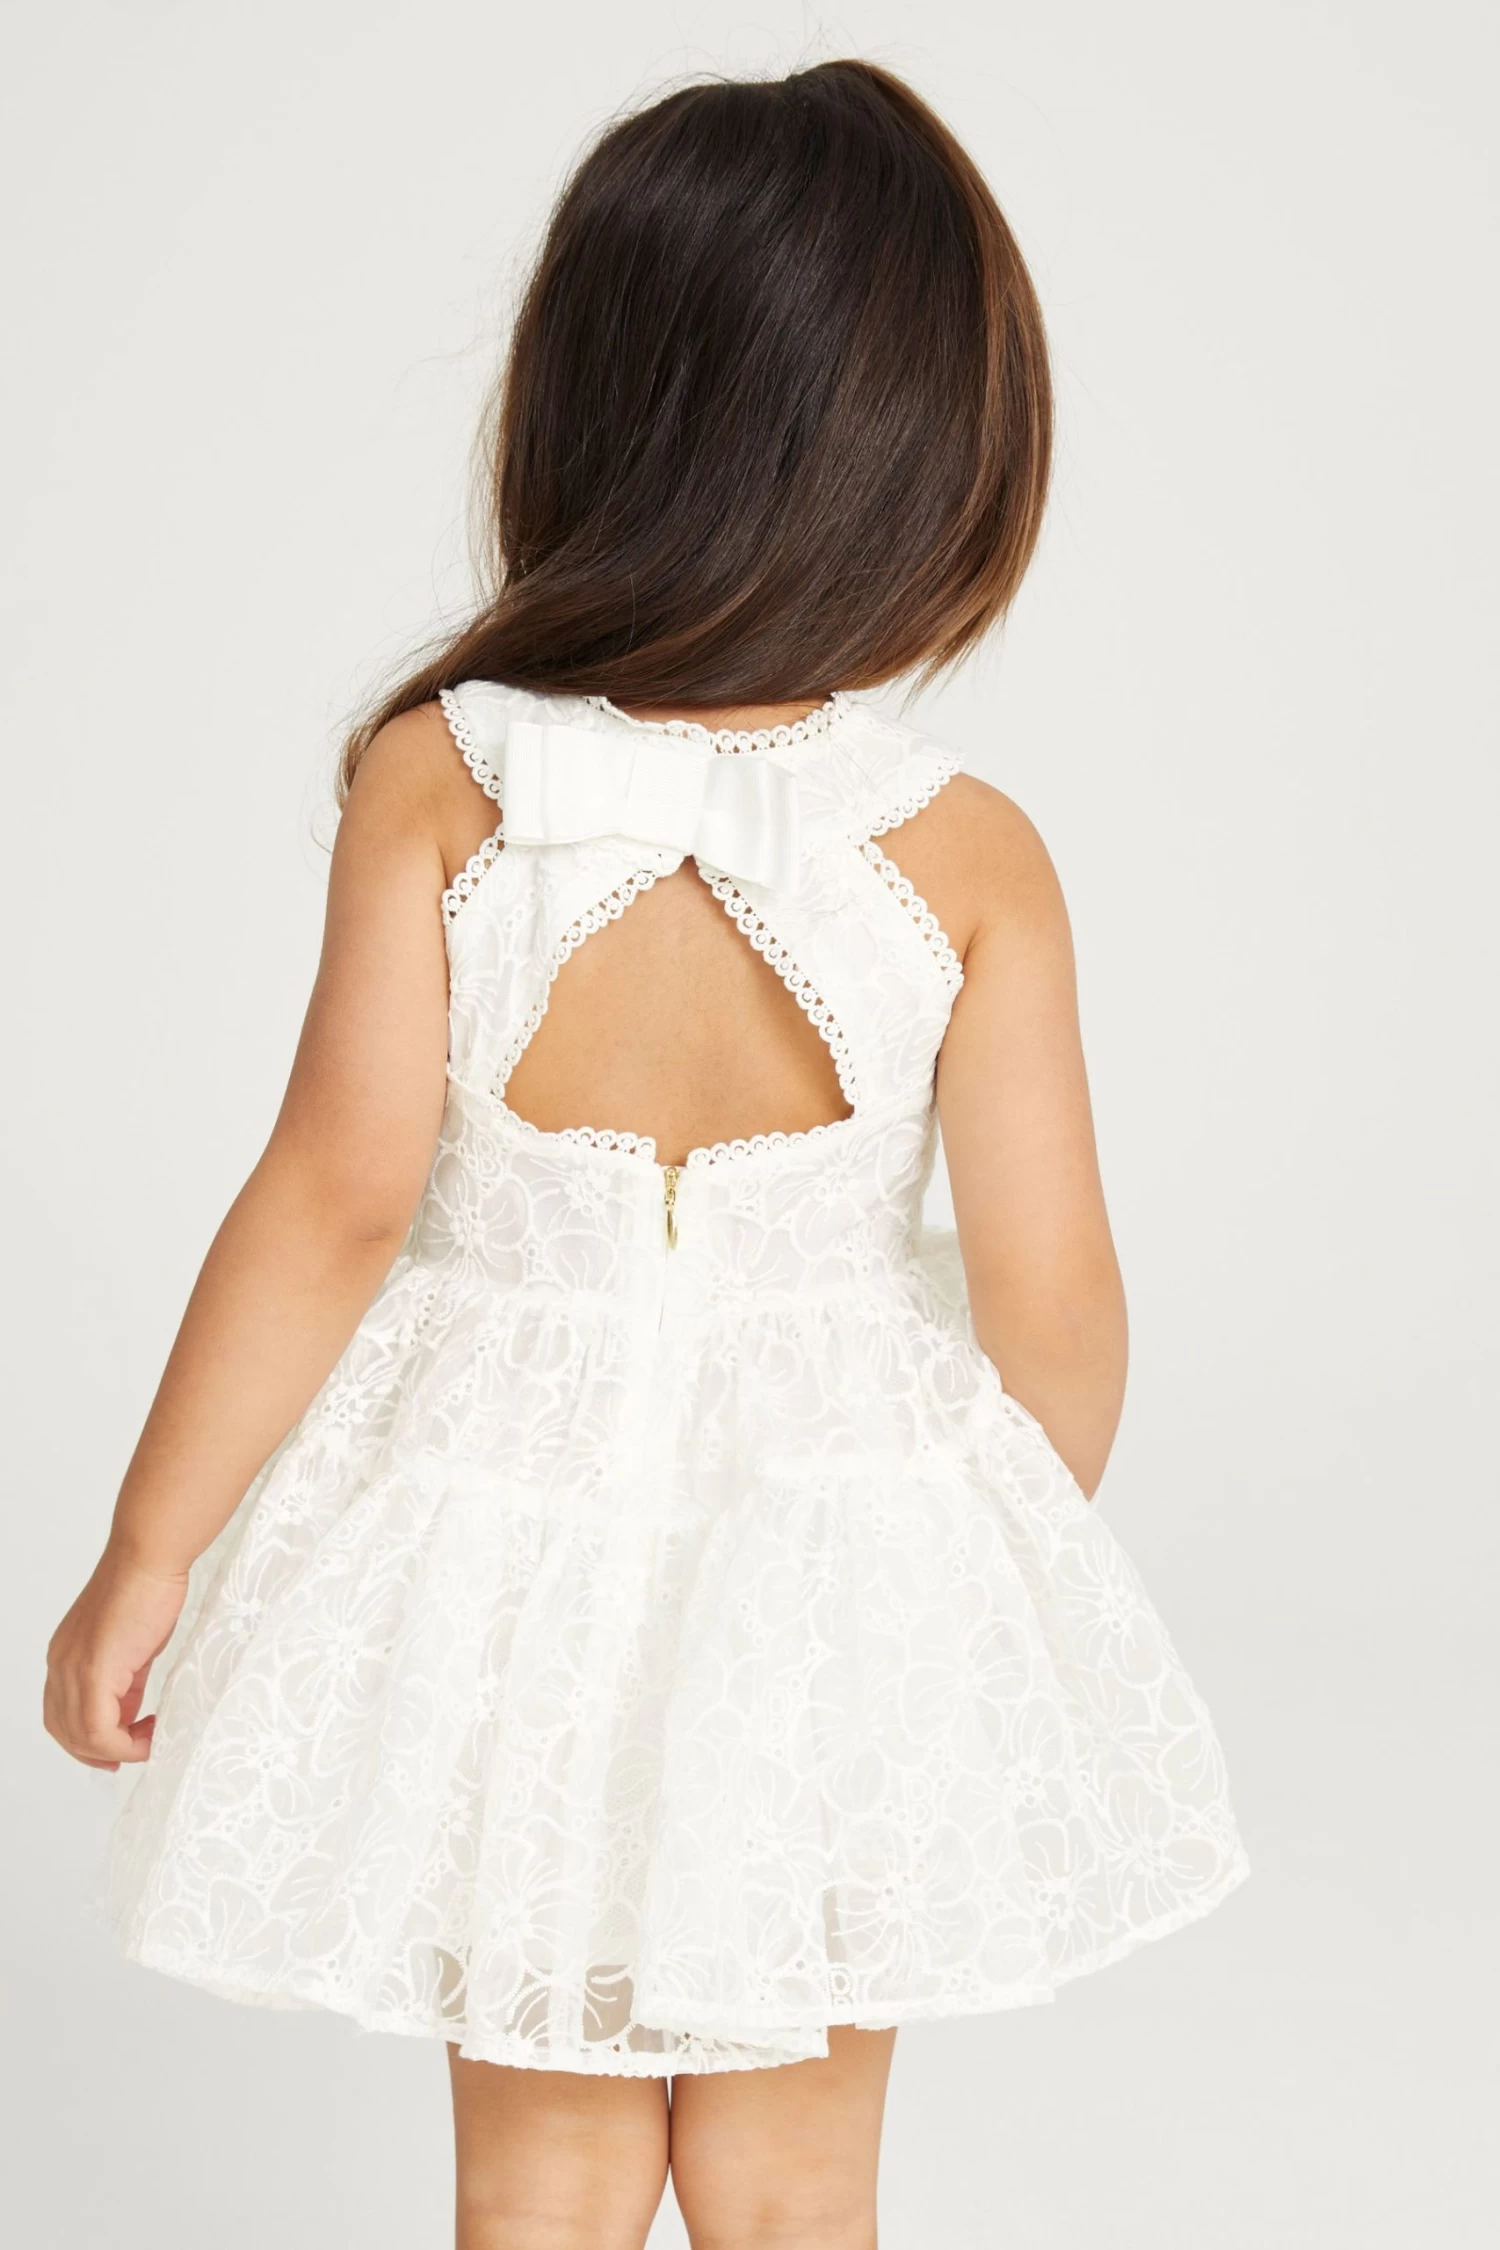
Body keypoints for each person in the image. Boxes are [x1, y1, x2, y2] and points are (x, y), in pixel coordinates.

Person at [44, 58, 1249, 2250]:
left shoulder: (447, 786)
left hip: (507, 1565)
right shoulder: (968, 858)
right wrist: (948, 1588)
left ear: (586, 413)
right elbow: (1060, 1309)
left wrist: (151, 1546)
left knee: (543, 2182)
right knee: (794, 2187)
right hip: (828, 1578)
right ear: (945, 461)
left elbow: (332, 1197)